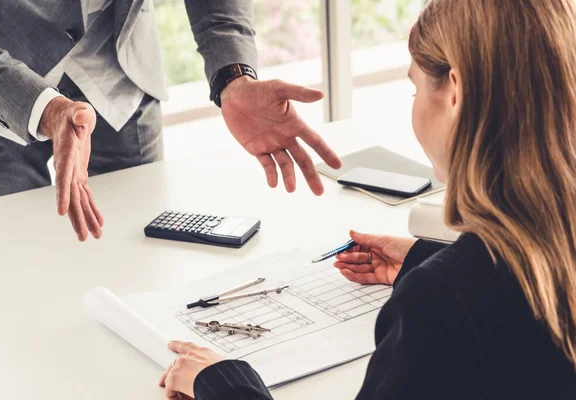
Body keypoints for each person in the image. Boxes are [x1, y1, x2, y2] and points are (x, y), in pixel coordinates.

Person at [157, 0, 576, 398]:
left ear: (455, 92)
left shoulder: (438, 305)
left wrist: (227, 383)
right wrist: (426, 258)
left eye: (414, 90)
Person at [0, 1, 341, 241]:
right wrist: (46, 110)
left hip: (118, 71)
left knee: (142, 250)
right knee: (10, 259)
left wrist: (233, 75)